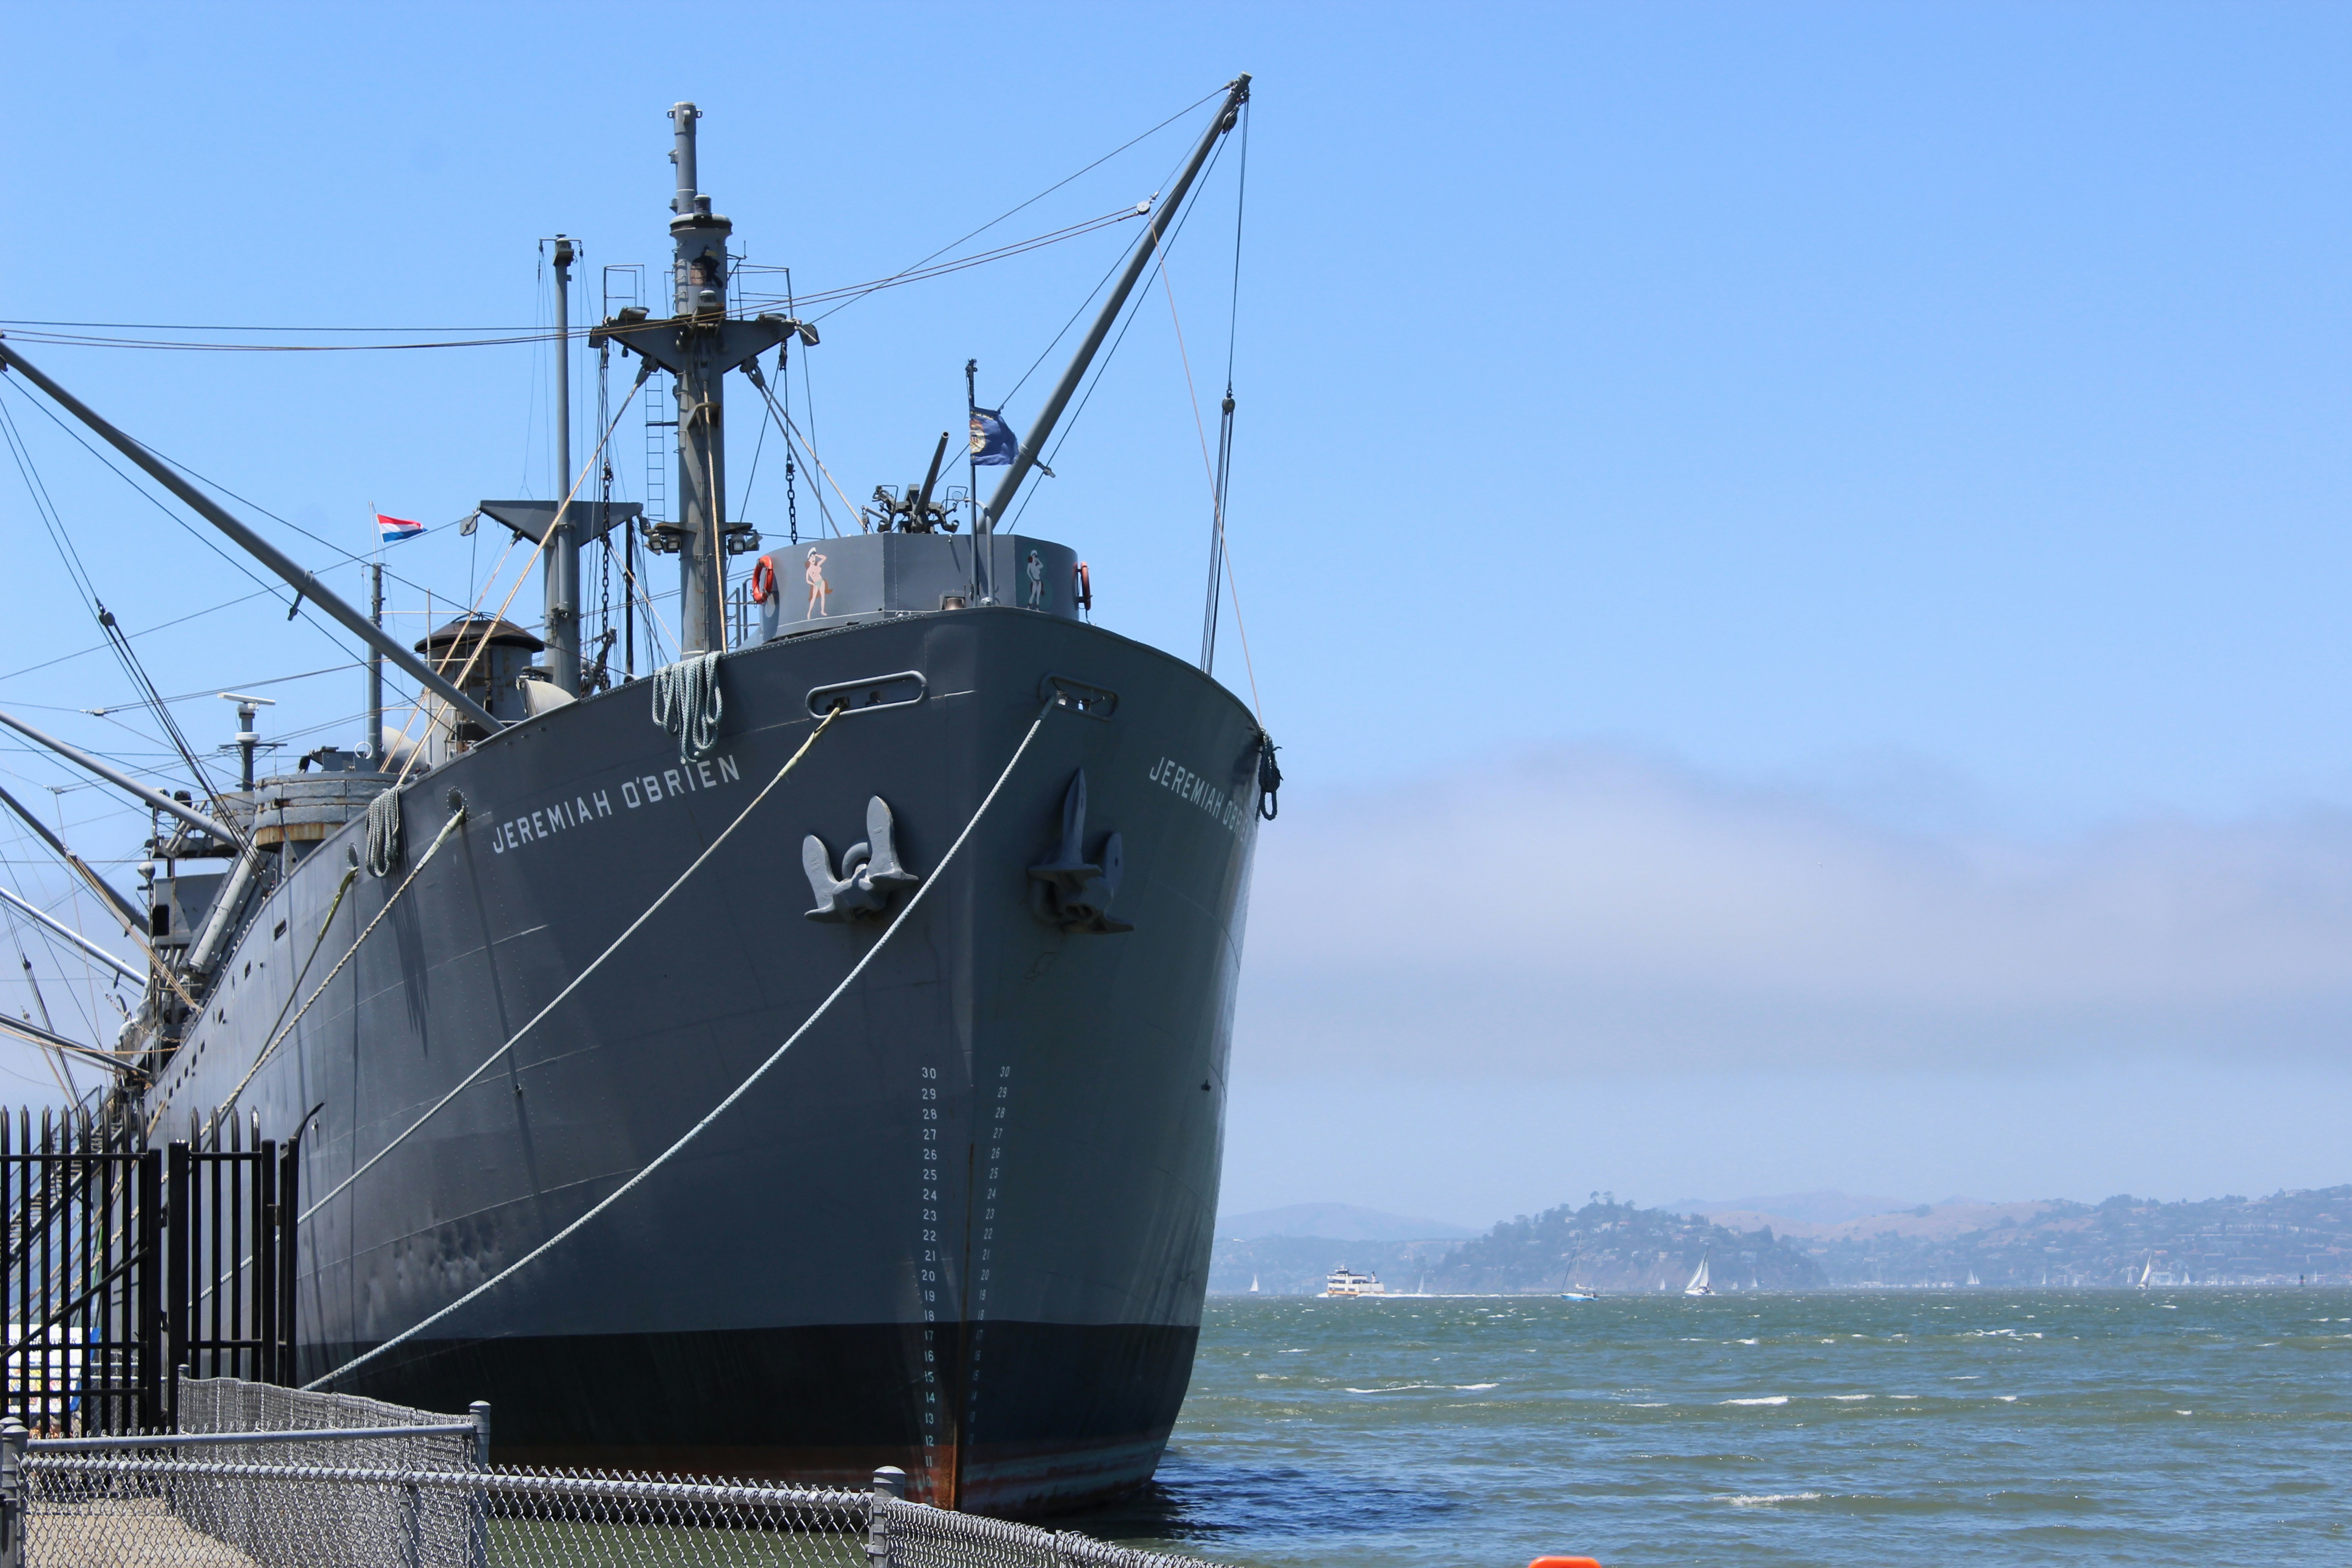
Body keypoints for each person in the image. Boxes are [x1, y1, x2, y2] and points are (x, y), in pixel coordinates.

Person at [804, 547, 831, 617]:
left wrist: (817, 555)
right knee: (813, 598)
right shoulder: (809, 570)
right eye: (811, 557)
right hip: (816, 584)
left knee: (823, 596)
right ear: (809, 559)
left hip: (821, 582)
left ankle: (822, 611)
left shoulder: (818, 565)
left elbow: (824, 558)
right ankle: (809, 612)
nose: (813, 559)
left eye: (814, 557)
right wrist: (812, 584)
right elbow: (807, 580)